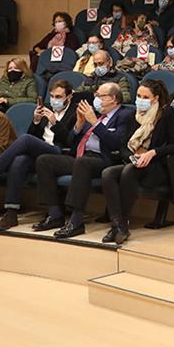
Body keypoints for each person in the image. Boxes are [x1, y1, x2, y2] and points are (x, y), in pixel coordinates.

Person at [0, 80, 79, 230]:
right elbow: (34, 137)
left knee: (24, 139)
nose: (54, 100)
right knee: (19, 160)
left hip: (59, 152)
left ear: (69, 97)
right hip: (40, 152)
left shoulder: (74, 112)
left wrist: (55, 124)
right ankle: (11, 213)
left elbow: (71, 141)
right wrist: (36, 121)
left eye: (58, 97)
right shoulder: (46, 109)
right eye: (52, 96)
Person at [33, 82, 133, 238]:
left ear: (113, 98)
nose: (96, 99)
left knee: (82, 163)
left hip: (106, 160)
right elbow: (71, 142)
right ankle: (55, 214)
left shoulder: (125, 115)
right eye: (96, 95)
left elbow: (116, 143)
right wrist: (78, 126)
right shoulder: (96, 114)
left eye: (100, 96)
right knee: (44, 160)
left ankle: (76, 221)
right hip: (83, 157)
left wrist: (95, 123)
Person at [98, 79, 174, 244]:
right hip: (134, 162)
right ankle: (118, 224)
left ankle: (121, 224)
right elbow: (123, 146)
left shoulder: (166, 114)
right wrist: (132, 156)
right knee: (108, 173)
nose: (140, 100)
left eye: (145, 97)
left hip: (156, 166)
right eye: (138, 96)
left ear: (155, 98)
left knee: (128, 170)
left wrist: (152, 153)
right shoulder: (133, 115)